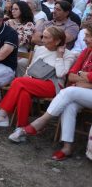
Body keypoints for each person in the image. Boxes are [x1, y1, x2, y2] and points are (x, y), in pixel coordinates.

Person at [13, 24, 92, 160]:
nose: (84, 39)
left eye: (88, 36)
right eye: (85, 35)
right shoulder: (86, 52)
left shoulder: (78, 53)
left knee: (69, 92)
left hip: (77, 90)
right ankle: (67, 147)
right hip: (81, 91)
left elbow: (71, 76)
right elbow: (71, 76)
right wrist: (84, 77)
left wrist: (86, 78)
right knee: (69, 105)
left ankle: (39, 122)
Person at [0, 27, 77, 132]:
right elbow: (30, 68)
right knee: (23, 92)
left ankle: (2, 114)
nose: (42, 40)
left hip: (53, 85)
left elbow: (60, 74)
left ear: (58, 41)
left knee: (18, 82)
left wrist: (59, 55)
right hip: (34, 82)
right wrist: (26, 76)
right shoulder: (40, 49)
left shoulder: (68, 55)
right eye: (42, 37)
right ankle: (21, 128)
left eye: (46, 38)